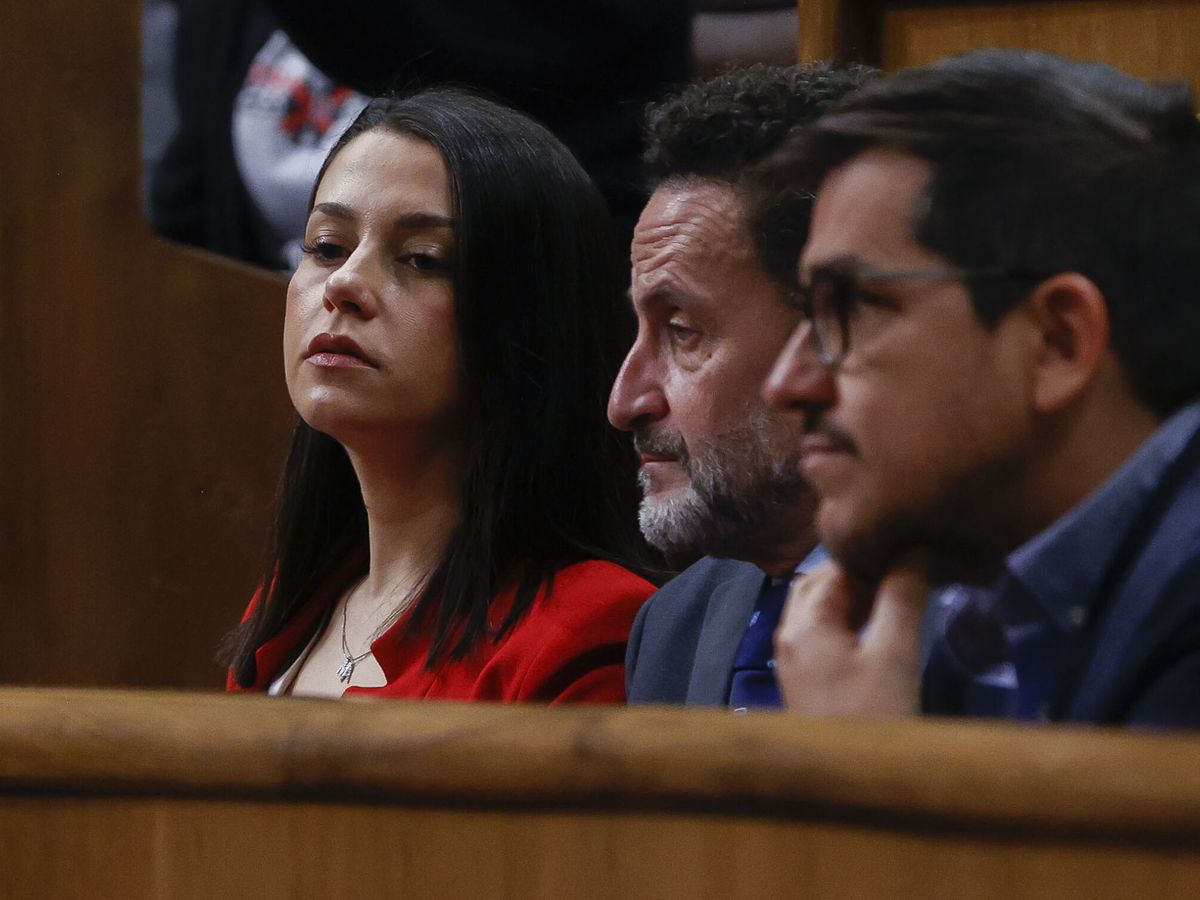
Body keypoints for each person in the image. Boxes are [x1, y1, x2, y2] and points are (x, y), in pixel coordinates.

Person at [759, 49, 1200, 726]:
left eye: (851, 309)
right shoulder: (967, 598)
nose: (788, 385)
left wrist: (865, 777)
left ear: (1057, 342)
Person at [224, 89, 657, 701]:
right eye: (327, 246)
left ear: (531, 318)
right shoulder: (288, 606)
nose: (345, 284)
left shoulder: (589, 626)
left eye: (422, 259)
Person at [608, 64, 876, 707]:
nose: (625, 401)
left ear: (831, 335)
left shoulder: (990, 616)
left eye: (682, 330)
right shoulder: (671, 627)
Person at [149, 0, 691, 270]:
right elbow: (190, 194)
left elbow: (430, 56)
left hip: (519, 358)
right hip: (260, 354)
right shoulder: (223, 15)